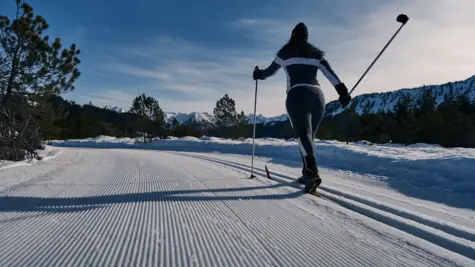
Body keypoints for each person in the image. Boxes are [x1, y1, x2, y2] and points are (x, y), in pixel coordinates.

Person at [253, 22, 351, 193]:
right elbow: (332, 75)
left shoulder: (284, 53)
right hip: (318, 97)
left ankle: (313, 173)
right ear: (307, 37)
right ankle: (307, 172)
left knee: (303, 134)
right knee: (308, 137)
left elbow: (269, 72)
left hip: (297, 94)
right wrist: (343, 93)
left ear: (292, 35)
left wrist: (258, 74)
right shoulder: (317, 54)